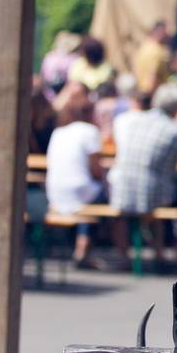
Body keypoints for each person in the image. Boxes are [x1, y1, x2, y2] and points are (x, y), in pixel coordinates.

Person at [108, 83, 177, 266]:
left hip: (120, 189)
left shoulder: (130, 121)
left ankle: (133, 257)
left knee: (156, 195)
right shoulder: (176, 130)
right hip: (152, 194)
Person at [45, 85, 106, 264]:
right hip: (78, 192)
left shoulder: (58, 132)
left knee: (88, 195)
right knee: (101, 195)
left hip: (54, 192)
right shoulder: (90, 131)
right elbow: (96, 171)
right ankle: (84, 247)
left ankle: (81, 246)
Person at [133, 20, 171, 95]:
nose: (168, 37)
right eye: (166, 34)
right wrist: (151, 95)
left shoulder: (143, 47)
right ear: (160, 32)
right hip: (152, 93)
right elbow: (153, 75)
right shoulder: (157, 51)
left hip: (140, 90)